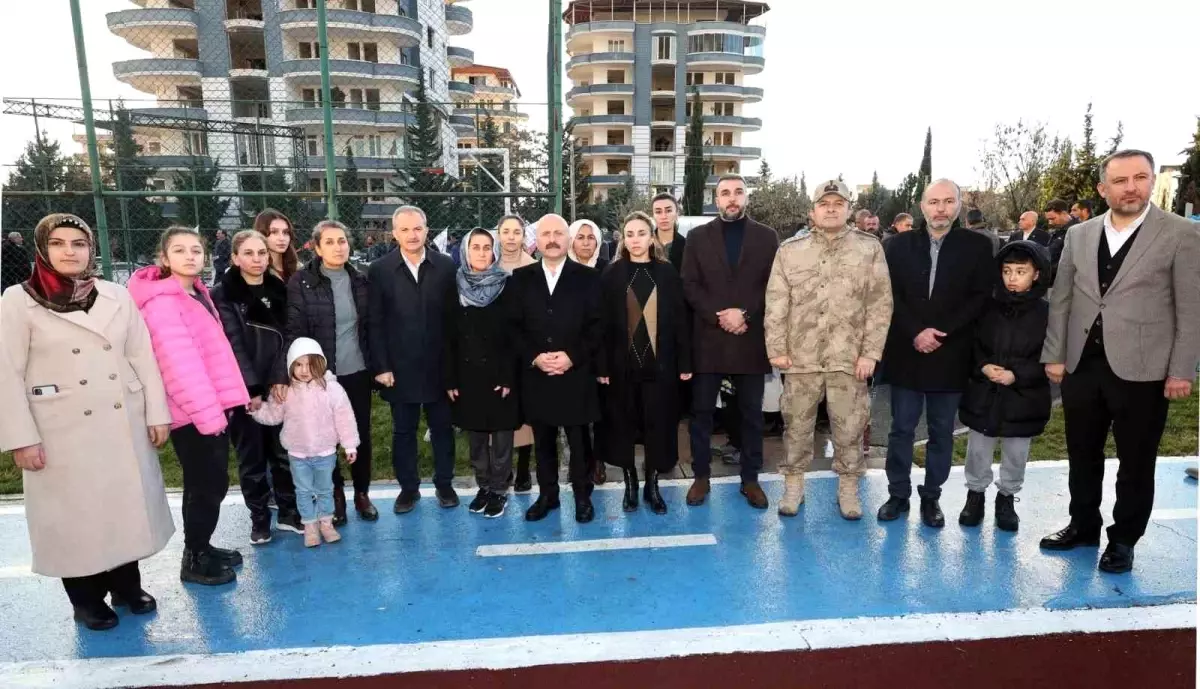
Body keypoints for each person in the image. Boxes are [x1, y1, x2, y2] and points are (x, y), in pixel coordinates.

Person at [0, 214, 173, 631]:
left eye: (78, 243)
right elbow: (6, 373)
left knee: (122, 504)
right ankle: (85, 598)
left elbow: (142, 356)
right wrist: (21, 438)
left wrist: (156, 412)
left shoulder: (115, 295)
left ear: (91, 248)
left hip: (120, 421)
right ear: (43, 250)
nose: (69, 252)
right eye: (58, 243)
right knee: (75, 515)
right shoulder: (17, 301)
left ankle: (127, 586)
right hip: (61, 429)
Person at [1039, 149, 1200, 574]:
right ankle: (1083, 525)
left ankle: (1124, 539)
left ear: (1150, 182)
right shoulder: (1080, 235)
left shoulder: (1181, 234)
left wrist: (1182, 369)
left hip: (1144, 369)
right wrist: (1054, 354)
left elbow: (1191, 308)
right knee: (1081, 452)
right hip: (1082, 366)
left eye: (1141, 177)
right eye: (1121, 180)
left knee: (1136, 460)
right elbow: (1062, 298)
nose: (1132, 187)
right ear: (1102, 188)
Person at [127, 227, 249, 586]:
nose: (190, 256)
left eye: (196, 250)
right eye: (179, 250)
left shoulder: (193, 293)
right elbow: (179, 366)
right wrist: (210, 416)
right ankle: (194, 558)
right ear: (164, 259)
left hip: (208, 409)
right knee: (205, 486)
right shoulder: (164, 303)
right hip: (193, 414)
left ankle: (203, 546)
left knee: (213, 483)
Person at [765, 180, 892, 520]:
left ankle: (848, 487)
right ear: (813, 211)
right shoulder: (790, 251)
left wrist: (871, 353)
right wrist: (776, 349)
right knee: (796, 427)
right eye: (825, 203)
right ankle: (793, 485)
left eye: (839, 203)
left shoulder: (869, 250)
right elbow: (776, 302)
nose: (832, 208)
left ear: (849, 210)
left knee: (849, 428)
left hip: (848, 359)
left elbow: (880, 305)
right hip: (801, 357)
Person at [877, 179, 994, 528]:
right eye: (933, 202)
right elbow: (889, 295)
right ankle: (898, 494)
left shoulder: (978, 246)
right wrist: (916, 331)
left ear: (958, 205)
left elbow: (979, 297)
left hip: (951, 353)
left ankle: (932, 497)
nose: (940, 208)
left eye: (947, 201)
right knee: (901, 430)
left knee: (942, 431)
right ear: (922, 206)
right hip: (907, 352)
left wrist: (941, 332)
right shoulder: (896, 246)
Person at [681, 174, 779, 509]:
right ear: (716, 199)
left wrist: (745, 315)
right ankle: (701, 477)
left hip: (750, 339)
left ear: (746, 197)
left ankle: (750, 479)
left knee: (752, 415)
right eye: (725, 193)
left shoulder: (767, 238)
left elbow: (774, 287)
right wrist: (720, 316)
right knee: (702, 413)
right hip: (709, 339)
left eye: (738, 192)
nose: (732, 198)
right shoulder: (696, 237)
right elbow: (690, 285)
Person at [508, 214, 603, 523]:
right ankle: (547, 495)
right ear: (538, 239)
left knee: (579, 442)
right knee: (543, 441)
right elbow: (513, 328)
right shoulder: (521, 278)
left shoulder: (589, 278)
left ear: (568, 239)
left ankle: (582, 497)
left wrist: (572, 356)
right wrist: (535, 356)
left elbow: (598, 326)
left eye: (558, 233)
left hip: (576, 375)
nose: (551, 239)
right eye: (546, 233)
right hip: (537, 377)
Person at [597, 212, 692, 515]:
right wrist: (601, 366)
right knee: (623, 426)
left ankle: (653, 484)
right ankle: (630, 484)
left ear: (652, 238)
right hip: (621, 369)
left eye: (641, 233)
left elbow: (680, 322)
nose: (635, 239)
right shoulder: (611, 276)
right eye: (629, 234)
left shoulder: (667, 273)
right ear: (622, 239)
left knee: (659, 427)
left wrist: (685, 361)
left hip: (660, 368)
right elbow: (600, 327)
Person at [211, 230, 301, 544]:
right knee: (252, 459)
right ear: (235, 258)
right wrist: (250, 388)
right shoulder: (223, 294)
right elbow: (232, 343)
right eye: (248, 253)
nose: (257, 259)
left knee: (283, 452)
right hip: (243, 387)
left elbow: (287, 336)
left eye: (261, 252)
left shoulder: (279, 288)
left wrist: (280, 377)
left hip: (277, 385)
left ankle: (289, 513)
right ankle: (260, 520)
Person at [957, 241, 1052, 532]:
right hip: (984, 393)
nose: (1012, 277)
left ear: (1036, 274)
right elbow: (971, 342)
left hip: (1024, 397)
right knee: (978, 449)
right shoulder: (987, 306)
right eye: (1007, 271)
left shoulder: (1047, 313)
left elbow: (1051, 354)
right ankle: (975, 494)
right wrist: (983, 365)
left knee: (1015, 451)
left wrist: (1018, 375)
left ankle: (1007, 497)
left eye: (1021, 271)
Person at [368, 206, 459, 513]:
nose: (411, 235)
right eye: (404, 229)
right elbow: (375, 322)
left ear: (426, 230)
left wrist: (453, 370)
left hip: (439, 367)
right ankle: (408, 489)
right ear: (394, 233)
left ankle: (444, 485)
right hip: (399, 368)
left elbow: (454, 321)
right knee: (403, 431)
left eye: (417, 229)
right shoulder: (380, 270)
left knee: (443, 429)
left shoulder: (446, 267)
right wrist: (381, 366)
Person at [285, 220, 376, 524]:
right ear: (317, 247)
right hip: (321, 376)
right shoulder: (302, 281)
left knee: (358, 433)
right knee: (326, 439)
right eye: (330, 242)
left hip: (357, 372)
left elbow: (370, 326)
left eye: (342, 241)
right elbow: (295, 328)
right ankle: (335, 494)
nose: (338, 247)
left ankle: (361, 493)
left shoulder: (361, 279)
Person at [252, 338, 359, 547]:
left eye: (309, 364)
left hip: (325, 452)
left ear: (319, 363)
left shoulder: (332, 389)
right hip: (298, 454)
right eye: (298, 364)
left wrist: (350, 444)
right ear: (291, 365)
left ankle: (326, 524)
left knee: (325, 490)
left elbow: (345, 418)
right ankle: (310, 526)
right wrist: (257, 410)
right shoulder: (285, 391)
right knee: (303, 491)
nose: (303, 370)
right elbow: (273, 415)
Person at [444, 228, 519, 519]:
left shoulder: (507, 286)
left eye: (487, 247)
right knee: (476, 437)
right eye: (475, 247)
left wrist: (508, 376)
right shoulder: (455, 288)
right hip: (467, 376)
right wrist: (450, 378)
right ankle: (484, 485)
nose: (482, 253)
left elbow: (514, 337)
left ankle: (500, 489)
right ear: (465, 251)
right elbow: (448, 338)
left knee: (501, 438)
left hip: (499, 376)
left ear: (495, 251)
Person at [495, 214, 536, 491]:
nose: (511, 237)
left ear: (524, 236)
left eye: (516, 232)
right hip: (496, 351)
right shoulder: (488, 266)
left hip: (526, 350)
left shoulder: (535, 268)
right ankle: (501, 467)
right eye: (505, 231)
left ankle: (523, 468)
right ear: (498, 235)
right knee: (501, 408)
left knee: (527, 409)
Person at [254, 209, 300, 283]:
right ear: (261, 235)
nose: (282, 238)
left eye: (285, 232)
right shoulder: (253, 270)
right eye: (274, 232)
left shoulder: (299, 268)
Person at [651, 193, 689, 272]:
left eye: (668, 211)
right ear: (653, 215)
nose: (663, 216)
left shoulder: (687, 247)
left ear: (677, 213)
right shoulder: (644, 244)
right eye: (658, 212)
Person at [1044, 198, 1077, 283]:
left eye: (1052, 218)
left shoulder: (1077, 230)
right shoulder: (1058, 230)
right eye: (1048, 220)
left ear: (1063, 213)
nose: (1050, 223)